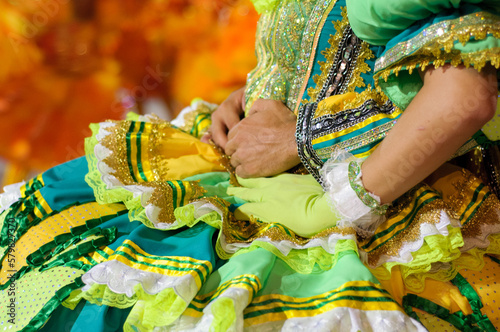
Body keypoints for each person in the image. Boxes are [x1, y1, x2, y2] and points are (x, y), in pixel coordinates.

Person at [1, 0, 499, 331]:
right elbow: (345, 53)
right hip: (247, 182)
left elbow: (464, 98)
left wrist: (325, 174)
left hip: (375, 210)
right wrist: (256, 97)